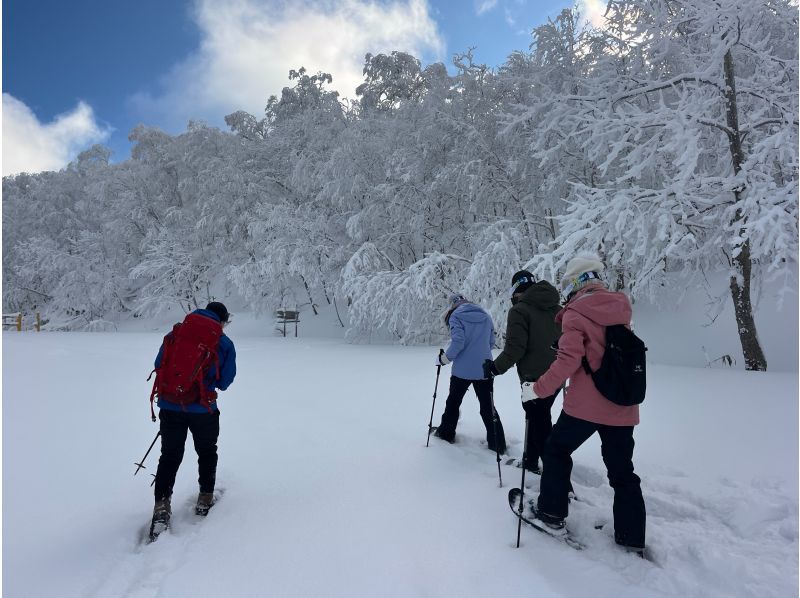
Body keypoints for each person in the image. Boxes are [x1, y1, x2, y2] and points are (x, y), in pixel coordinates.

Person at [523, 255, 646, 553]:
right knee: (622, 471)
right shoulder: (620, 308)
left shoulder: (576, 313)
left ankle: (551, 514)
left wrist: (537, 389)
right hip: (622, 405)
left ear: (576, 284)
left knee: (555, 449)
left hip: (586, 407)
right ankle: (631, 536)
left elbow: (568, 360)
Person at [150, 301, 237, 535]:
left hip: (170, 405)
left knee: (169, 456)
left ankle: (161, 506)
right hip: (203, 409)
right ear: (222, 320)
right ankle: (204, 499)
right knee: (207, 452)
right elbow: (225, 382)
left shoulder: (176, 333)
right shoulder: (224, 343)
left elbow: (159, 364)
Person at [483, 270, 561, 474]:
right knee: (539, 419)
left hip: (533, 380)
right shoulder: (557, 308)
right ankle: (530, 460)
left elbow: (515, 348)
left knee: (540, 424)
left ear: (516, 290)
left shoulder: (520, 310)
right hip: (557, 375)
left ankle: (559, 482)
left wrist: (495, 367)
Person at [433, 294, 506, 453]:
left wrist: (445, 359)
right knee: (488, 406)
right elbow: (491, 342)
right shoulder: (485, 316)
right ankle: (497, 443)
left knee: (453, 402)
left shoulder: (455, 316)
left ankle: (446, 433)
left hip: (462, 370)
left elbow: (458, 341)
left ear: (453, 305)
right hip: (484, 368)